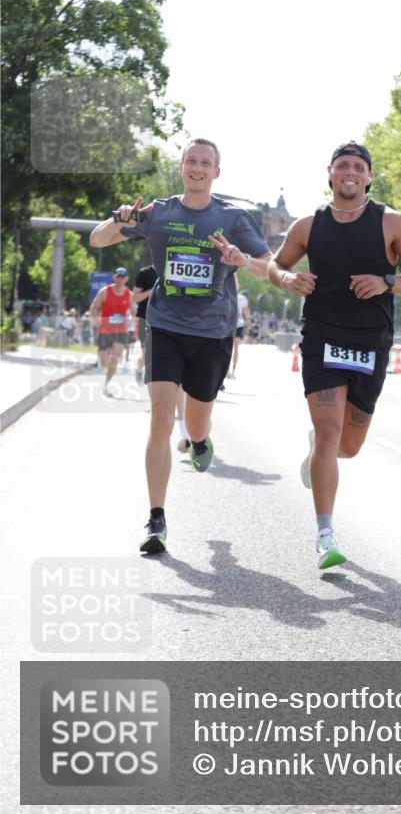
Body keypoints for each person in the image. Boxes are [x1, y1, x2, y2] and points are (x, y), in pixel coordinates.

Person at [90, 138, 271, 555]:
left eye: (205, 163)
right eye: (191, 160)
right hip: (164, 325)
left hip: (212, 333)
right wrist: (120, 220)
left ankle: (201, 440)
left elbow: (270, 265)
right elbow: (99, 240)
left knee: (197, 423)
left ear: (216, 172)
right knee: (159, 418)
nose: (197, 168)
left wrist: (240, 260)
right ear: (181, 167)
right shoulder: (158, 212)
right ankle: (156, 518)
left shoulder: (232, 217)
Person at [268, 140, 401, 570]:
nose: (350, 171)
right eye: (343, 165)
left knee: (350, 445)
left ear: (369, 176)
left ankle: (320, 453)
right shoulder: (307, 225)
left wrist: (387, 283)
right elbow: (275, 265)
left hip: (370, 343)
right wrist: (289, 281)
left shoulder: (391, 222)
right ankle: (325, 534)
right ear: (330, 172)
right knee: (327, 432)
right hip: (322, 338)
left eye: (358, 166)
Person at [89, 268, 135, 396]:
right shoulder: (105, 292)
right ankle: (107, 368)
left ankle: (106, 384)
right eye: (118, 276)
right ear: (114, 277)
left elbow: (135, 311)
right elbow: (94, 307)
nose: (120, 279)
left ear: (126, 279)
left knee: (115, 359)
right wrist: (94, 319)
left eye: (123, 277)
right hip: (105, 329)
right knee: (104, 360)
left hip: (121, 330)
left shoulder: (129, 295)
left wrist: (130, 320)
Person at [133, 263, 159, 383]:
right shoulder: (144, 273)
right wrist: (152, 290)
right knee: (147, 353)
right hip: (145, 319)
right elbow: (135, 298)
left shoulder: (171, 272)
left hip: (164, 321)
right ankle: (139, 369)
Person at [229, 284, 250, 379]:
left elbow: (246, 311)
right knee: (232, 348)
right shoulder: (238, 297)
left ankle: (231, 370)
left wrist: (248, 320)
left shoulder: (239, 298)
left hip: (234, 325)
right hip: (233, 325)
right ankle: (230, 371)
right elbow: (246, 312)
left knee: (232, 348)